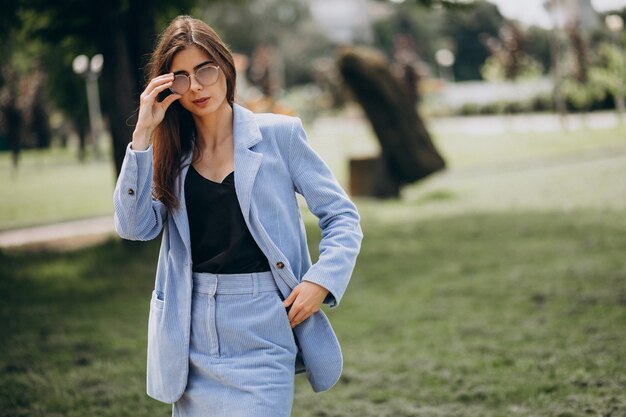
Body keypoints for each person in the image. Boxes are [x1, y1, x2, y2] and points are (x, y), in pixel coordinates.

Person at [113, 15, 362, 417]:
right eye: (180, 77)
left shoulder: (280, 136)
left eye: (204, 70)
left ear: (225, 68)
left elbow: (341, 215)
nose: (195, 86)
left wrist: (321, 280)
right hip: (189, 331)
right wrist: (142, 135)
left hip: (264, 325)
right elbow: (134, 227)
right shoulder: (169, 154)